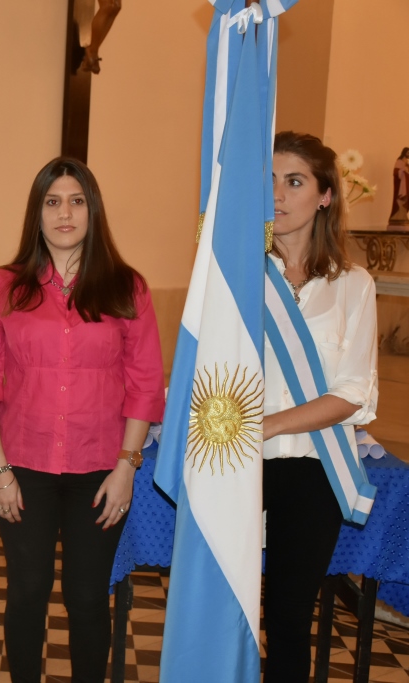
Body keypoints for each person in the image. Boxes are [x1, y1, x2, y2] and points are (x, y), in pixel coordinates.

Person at [0, 157, 164, 683]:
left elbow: (145, 385)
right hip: (23, 467)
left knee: (86, 597)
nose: (65, 213)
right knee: (28, 592)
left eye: (76, 201)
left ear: (93, 210)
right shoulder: (3, 287)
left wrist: (127, 468)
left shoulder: (128, 287)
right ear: (36, 214)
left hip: (100, 470)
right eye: (52, 201)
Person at [261, 131, 378, 682]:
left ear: (325, 195)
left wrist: (266, 425)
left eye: (295, 181)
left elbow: (354, 391)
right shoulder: (233, 280)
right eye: (270, 181)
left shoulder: (353, 285)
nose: (278, 194)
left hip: (314, 470)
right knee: (223, 609)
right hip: (238, 466)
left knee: (287, 620)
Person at [388, 146, 409, 226]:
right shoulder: (399, 161)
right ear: (404, 153)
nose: (408, 154)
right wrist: (403, 170)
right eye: (407, 152)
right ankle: (397, 217)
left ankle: (403, 216)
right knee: (400, 199)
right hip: (401, 186)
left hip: (406, 185)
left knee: (406, 200)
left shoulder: (407, 162)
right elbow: (396, 172)